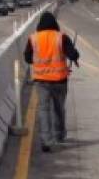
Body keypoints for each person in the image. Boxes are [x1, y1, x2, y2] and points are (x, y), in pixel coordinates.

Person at [24, 11, 79, 152]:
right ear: (54, 23)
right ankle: (59, 135)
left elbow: (28, 58)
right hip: (59, 80)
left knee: (43, 109)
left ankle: (46, 140)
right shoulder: (61, 37)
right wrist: (73, 55)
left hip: (41, 80)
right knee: (58, 109)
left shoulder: (33, 38)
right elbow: (73, 54)